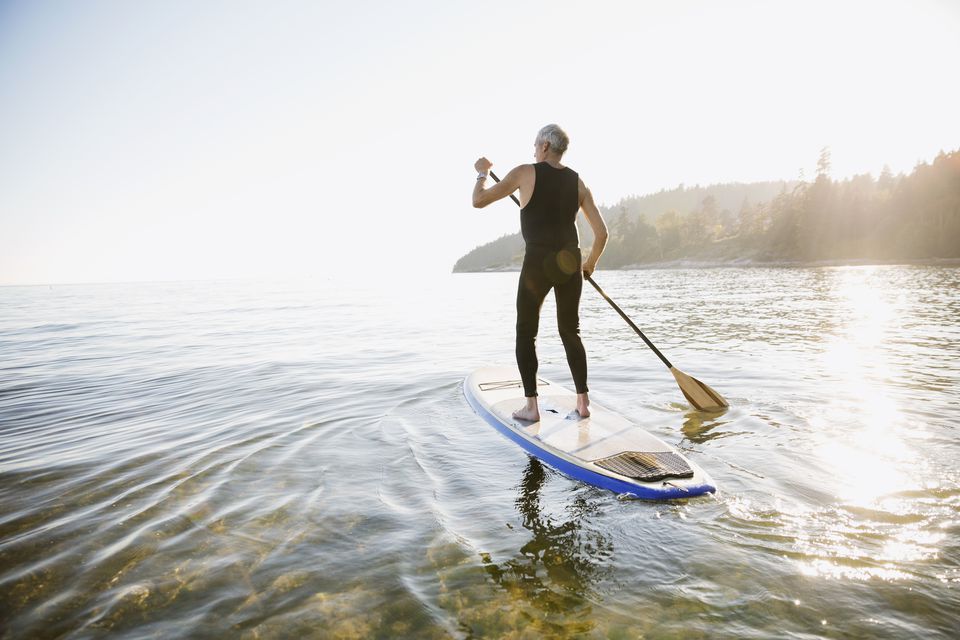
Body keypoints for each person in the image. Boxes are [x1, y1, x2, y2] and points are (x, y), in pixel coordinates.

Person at [472, 124, 608, 421]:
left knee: (526, 331)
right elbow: (601, 234)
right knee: (570, 331)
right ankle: (583, 403)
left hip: (538, 261)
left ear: (545, 145)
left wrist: (482, 173)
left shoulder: (524, 173)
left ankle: (532, 408)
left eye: (535, 145)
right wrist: (590, 263)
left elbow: (478, 201)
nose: (533, 150)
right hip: (570, 261)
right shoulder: (578, 183)